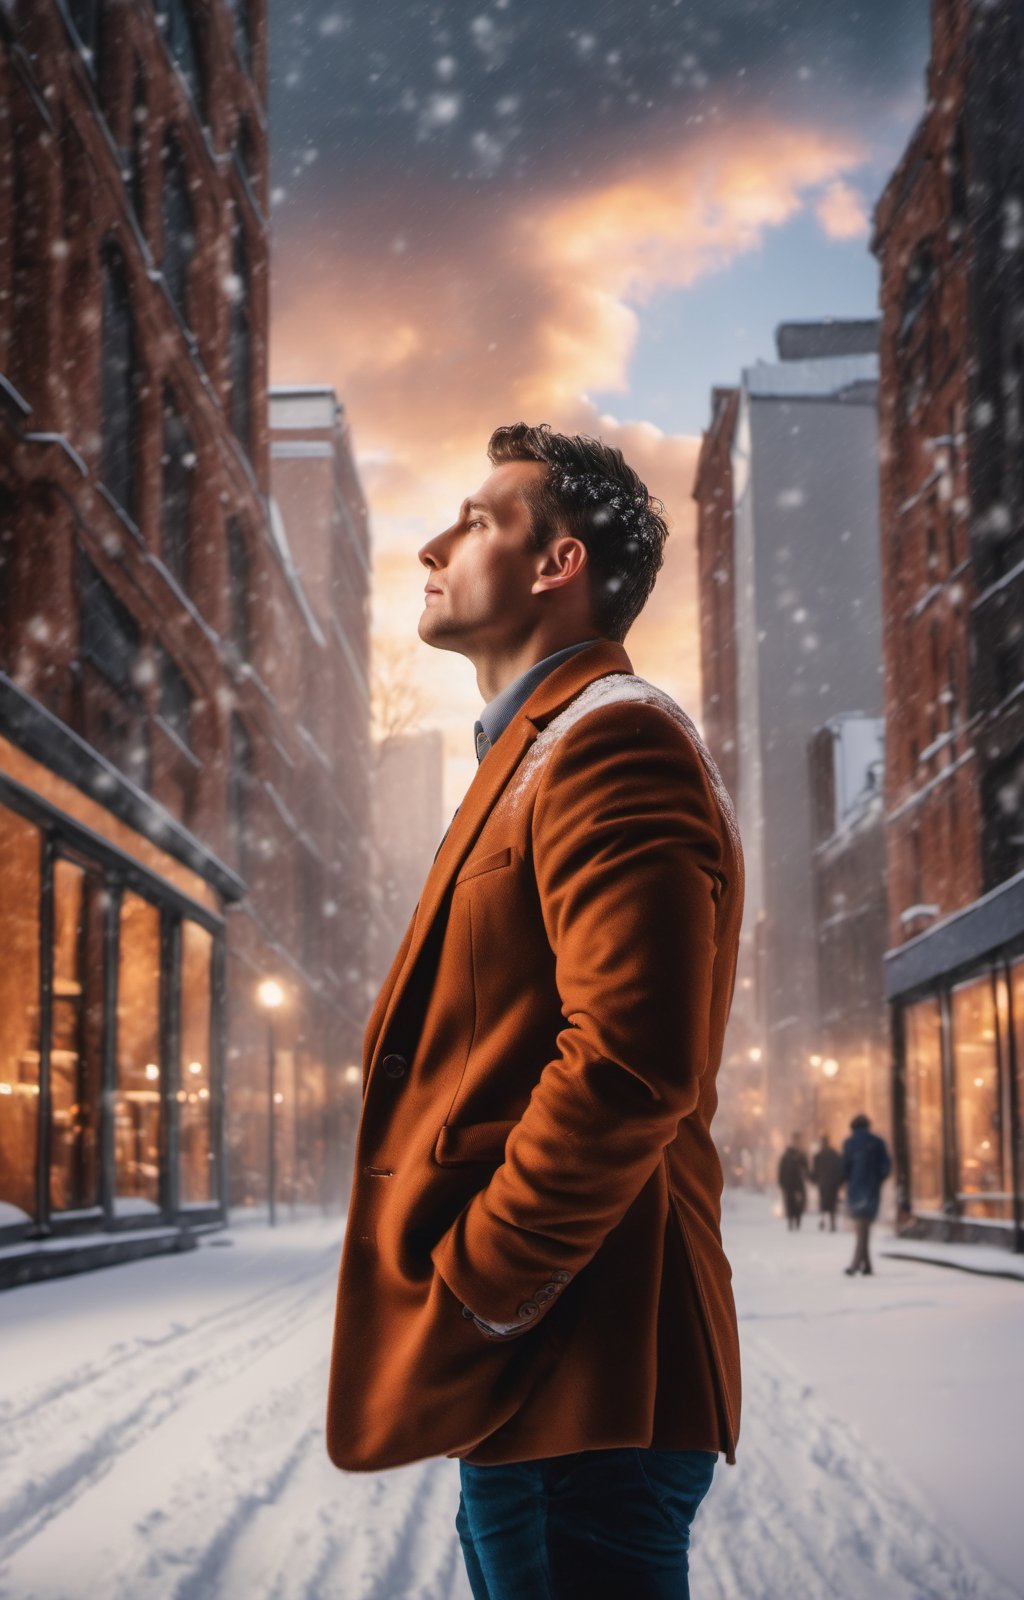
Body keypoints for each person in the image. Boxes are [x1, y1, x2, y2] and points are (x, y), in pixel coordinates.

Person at [326, 422, 745, 1599]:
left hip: (584, 1381)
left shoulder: (610, 743)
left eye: (476, 518)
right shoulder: (535, 753)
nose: (431, 541)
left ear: (558, 564)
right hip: (551, 1392)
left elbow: (630, 1061)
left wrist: (482, 1284)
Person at [842, 1114, 892, 1275]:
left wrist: (850, 1180)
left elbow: (844, 1168)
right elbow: (886, 1167)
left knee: (861, 1227)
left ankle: (856, 1264)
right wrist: (876, 1180)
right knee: (864, 1227)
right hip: (871, 1190)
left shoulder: (850, 1144)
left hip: (856, 1190)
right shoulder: (877, 1143)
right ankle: (865, 1264)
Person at [811, 1134, 844, 1231]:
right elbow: (839, 1168)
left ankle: (823, 1221)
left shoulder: (818, 1155)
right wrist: (840, 1181)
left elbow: (815, 1171)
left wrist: (815, 1180)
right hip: (833, 1183)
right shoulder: (834, 1153)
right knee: (832, 1204)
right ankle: (832, 1223)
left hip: (823, 1183)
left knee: (823, 1203)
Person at [777, 1134, 809, 1230]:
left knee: (799, 1203)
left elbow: (806, 1170)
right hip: (789, 1184)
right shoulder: (787, 1156)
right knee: (790, 1203)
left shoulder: (802, 1155)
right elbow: (781, 1170)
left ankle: (798, 1220)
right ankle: (791, 1221)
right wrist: (782, 1183)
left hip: (799, 1184)